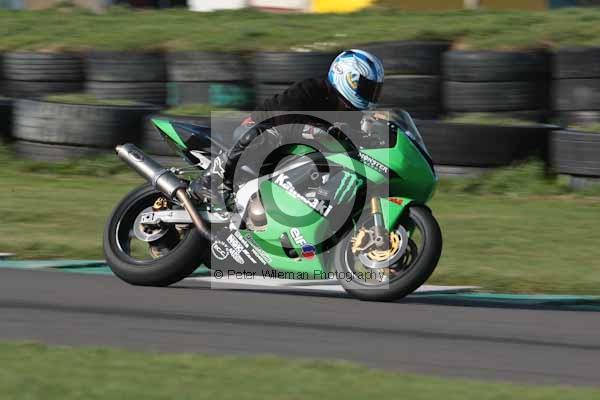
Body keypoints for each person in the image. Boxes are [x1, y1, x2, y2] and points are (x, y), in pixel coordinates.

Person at [188, 49, 385, 206]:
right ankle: (210, 180)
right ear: (347, 77)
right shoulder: (312, 88)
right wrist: (317, 130)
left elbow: (351, 139)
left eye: (374, 90)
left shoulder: (352, 113)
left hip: (295, 150)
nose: (370, 95)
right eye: (366, 88)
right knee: (267, 135)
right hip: (261, 127)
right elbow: (285, 119)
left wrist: (373, 138)